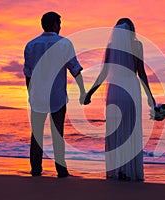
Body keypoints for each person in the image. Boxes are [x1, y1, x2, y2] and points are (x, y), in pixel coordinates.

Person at [84, 18, 156, 181]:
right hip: (130, 90)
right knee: (129, 131)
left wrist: (90, 92)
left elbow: (104, 72)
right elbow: (141, 72)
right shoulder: (137, 45)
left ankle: (117, 170)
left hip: (115, 91)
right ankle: (129, 170)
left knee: (115, 131)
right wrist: (150, 96)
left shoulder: (111, 47)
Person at [23, 11, 86, 177]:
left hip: (38, 96)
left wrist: (30, 93)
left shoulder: (31, 45)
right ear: (54, 25)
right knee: (58, 132)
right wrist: (83, 90)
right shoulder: (63, 43)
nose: (60, 26)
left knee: (36, 133)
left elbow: (28, 73)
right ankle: (61, 169)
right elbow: (75, 68)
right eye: (59, 23)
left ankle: (36, 168)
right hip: (57, 95)